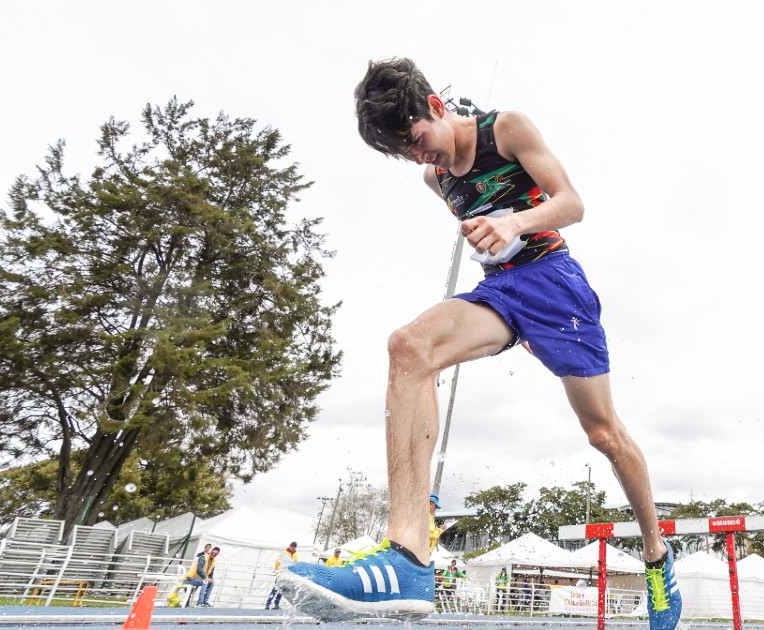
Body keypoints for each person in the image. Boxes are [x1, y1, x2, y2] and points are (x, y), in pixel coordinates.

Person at [279, 57, 681, 630]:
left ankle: (657, 557)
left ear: (437, 108)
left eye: (419, 140)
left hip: (556, 286)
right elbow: (474, 220)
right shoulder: (433, 178)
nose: (422, 157)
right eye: (407, 153)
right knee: (409, 347)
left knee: (603, 434)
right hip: (501, 292)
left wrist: (514, 223)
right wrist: (487, 239)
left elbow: (572, 203)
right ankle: (409, 554)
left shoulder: (507, 128)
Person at [266, 542, 298, 610]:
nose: (293, 548)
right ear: (289, 546)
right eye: (292, 546)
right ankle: (268, 603)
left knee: (282, 590)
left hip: (287, 575)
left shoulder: (295, 555)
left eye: (294, 547)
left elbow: (295, 565)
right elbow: (278, 563)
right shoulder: (284, 553)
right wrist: (277, 572)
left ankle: (276, 604)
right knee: (275, 589)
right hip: (281, 573)